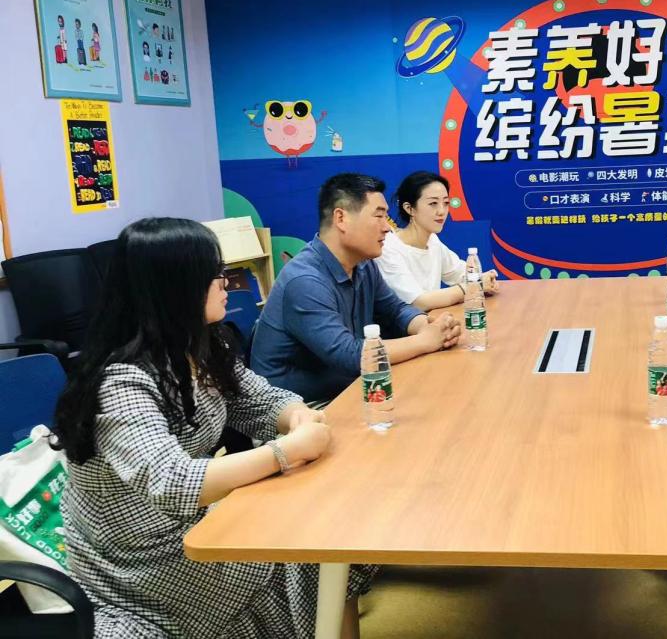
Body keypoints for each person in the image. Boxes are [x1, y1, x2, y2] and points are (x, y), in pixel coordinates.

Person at [51, 218, 378, 638]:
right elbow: (173, 482)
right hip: (141, 555)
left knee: (328, 530)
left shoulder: (203, 344)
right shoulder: (121, 381)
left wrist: (294, 414)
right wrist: (286, 451)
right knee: (314, 539)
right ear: (175, 288)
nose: (228, 283)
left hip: (195, 520)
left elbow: (259, 399)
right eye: (214, 275)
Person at [250, 173, 461, 403]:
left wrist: (428, 326)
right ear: (341, 218)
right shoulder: (304, 280)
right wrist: (425, 341)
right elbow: (348, 355)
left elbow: (395, 310)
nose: (387, 228)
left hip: (348, 386)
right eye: (378, 216)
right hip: (299, 407)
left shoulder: (363, 265)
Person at [376, 170, 498, 310]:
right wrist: (475, 286)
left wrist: (485, 279)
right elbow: (419, 302)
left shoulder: (432, 240)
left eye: (446, 203)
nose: (442, 211)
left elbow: (460, 274)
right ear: (409, 208)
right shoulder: (388, 247)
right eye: (433, 203)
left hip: (434, 320)